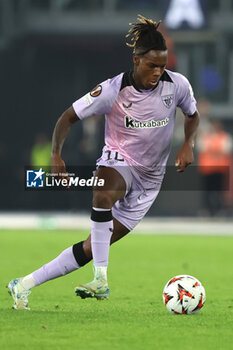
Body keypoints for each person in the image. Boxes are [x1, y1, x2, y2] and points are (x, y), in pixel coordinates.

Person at [8, 15, 200, 310]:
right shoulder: (112, 89)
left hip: (151, 181)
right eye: (152, 65)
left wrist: (188, 143)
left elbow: (192, 114)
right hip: (120, 160)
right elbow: (67, 117)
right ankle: (101, 280)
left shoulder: (177, 85)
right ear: (136, 60)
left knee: (91, 246)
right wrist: (55, 154)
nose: (158, 72)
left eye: (162, 66)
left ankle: (23, 284)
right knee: (104, 190)